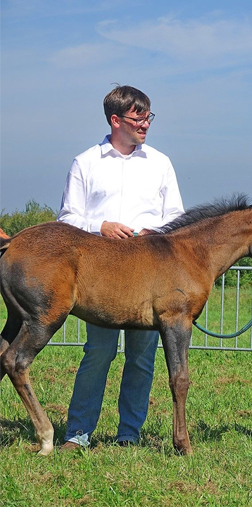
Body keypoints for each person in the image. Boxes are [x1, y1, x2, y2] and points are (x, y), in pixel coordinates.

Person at [58, 85, 184, 449]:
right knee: (98, 354)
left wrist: (153, 231)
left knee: (142, 358)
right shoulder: (85, 162)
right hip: (102, 274)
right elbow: (67, 218)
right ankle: (78, 434)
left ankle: (129, 434)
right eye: (138, 117)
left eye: (148, 116)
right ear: (115, 120)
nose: (146, 123)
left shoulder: (161, 163)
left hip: (150, 274)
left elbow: (176, 217)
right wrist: (101, 227)